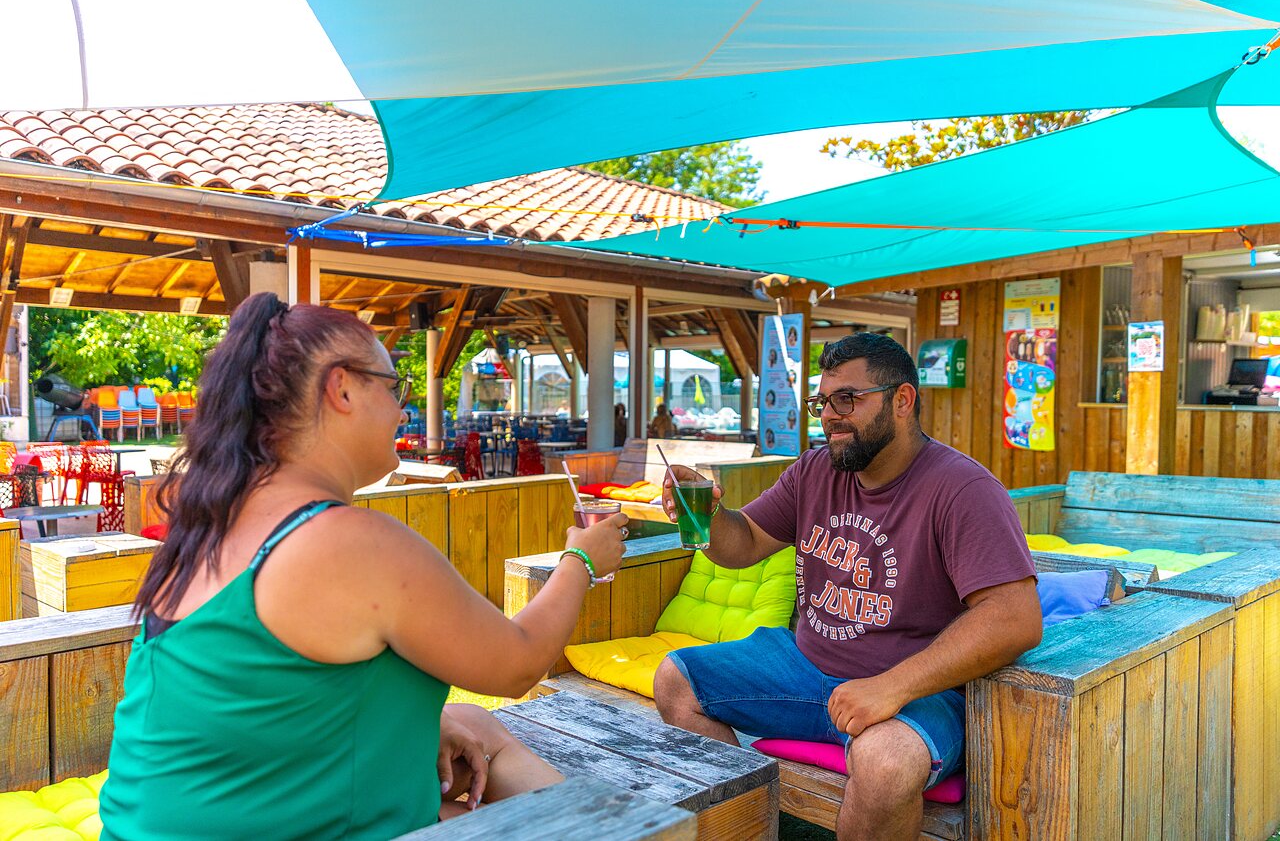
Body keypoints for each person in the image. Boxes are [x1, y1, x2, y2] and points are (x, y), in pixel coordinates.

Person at [99, 293, 627, 840]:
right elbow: (518, 665)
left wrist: (417, 721)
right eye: (395, 386)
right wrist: (581, 558)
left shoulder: (210, 523)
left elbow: (248, 697)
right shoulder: (347, 542)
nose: (405, 410)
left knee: (470, 723)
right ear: (343, 388)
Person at [654, 333, 1040, 841]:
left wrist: (891, 687)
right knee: (675, 680)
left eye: (847, 399)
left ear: (902, 401)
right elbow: (742, 544)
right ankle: (743, 828)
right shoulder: (815, 470)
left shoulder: (963, 490)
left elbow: (1015, 616)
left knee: (883, 762)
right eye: (822, 402)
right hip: (805, 668)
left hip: (916, 691)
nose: (829, 415)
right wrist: (706, 514)